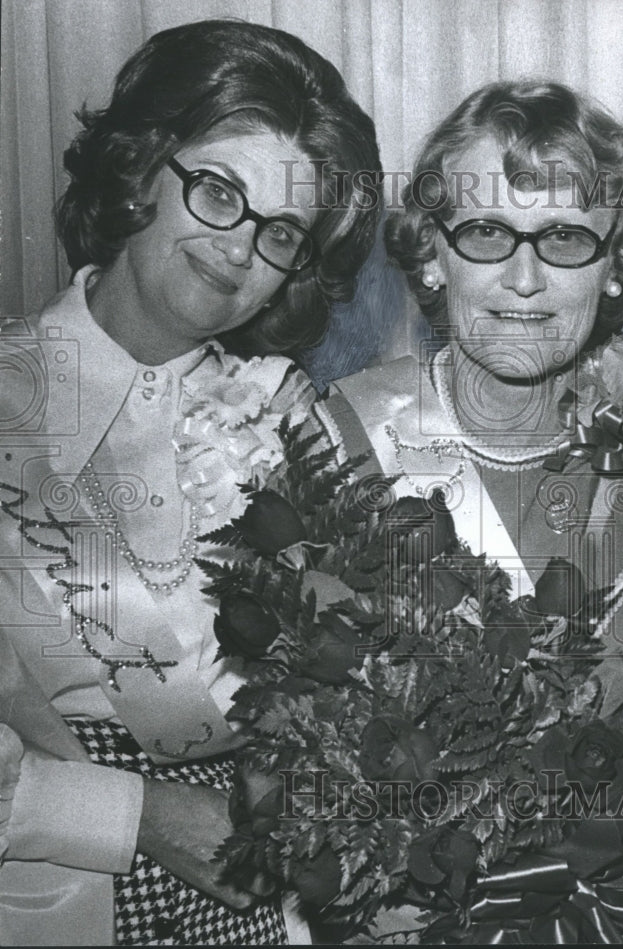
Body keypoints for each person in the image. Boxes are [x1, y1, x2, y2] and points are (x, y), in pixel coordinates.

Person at [313, 79, 623, 942]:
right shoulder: (335, 438)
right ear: (432, 255)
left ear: (617, 269)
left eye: (566, 239)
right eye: (484, 232)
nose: (523, 277)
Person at [0, 20, 381, 945]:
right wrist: (138, 816)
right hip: (60, 892)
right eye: (218, 192)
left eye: (281, 229)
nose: (240, 246)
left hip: (269, 902)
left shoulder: (294, 419)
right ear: (138, 170)